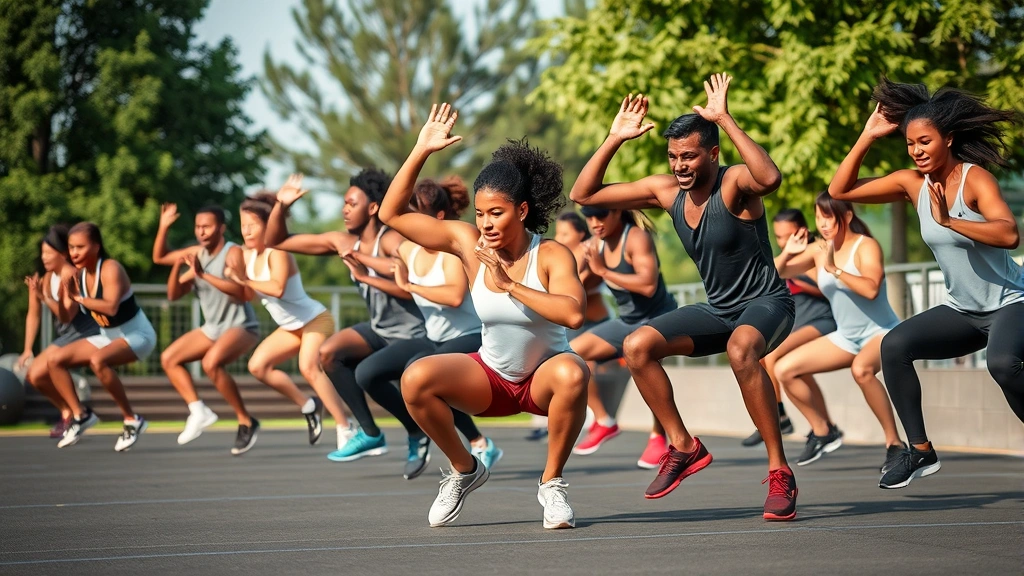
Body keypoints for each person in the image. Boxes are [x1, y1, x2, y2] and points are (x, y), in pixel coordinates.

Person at [569, 75, 798, 521]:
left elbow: (770, 177)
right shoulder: (665, 191)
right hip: (719, 309)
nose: (680, 165)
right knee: (637, 345)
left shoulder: (733, 183)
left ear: (712, 153)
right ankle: (682, 445)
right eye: (673, 156)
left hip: (768, 303)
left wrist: (724, 118)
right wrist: (614, 138)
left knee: (740, 349)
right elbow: (584, 194)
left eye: (689, 155)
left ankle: (779, 471)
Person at [380, 103, 589, 529]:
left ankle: (551, 484)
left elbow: (573, 314)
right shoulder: (468, 243)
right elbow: (391, 215)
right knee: (415, 378)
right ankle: (465, 469)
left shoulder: (549, 254)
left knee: (574, 371)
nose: (486, 223)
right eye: (480, 213)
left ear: (523, 211)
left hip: (541, 383)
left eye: (497, 213)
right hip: (490, 379)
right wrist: (420, 150)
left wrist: (510, 285)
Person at [828, 78, 1023, 489]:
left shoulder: (975, 180)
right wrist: (867, 134)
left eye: (925, 142)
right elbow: (839, 189)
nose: (916, 151)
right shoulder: (910, 184)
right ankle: (919, 451)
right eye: (910, 144)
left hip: (1011, 302)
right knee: (894, 346)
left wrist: (951, 221)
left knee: (1003, 364)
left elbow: (1009, 235)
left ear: (948, 138)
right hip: (963, 311)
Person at [263, 171, 429, 465]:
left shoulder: (390, 239)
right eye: (344, 203)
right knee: (328, 354)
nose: (344, 209)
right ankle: (370, 433)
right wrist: (281, 205)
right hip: (380, 330)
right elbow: (276, 240)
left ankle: (437, 436)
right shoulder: (342, 241)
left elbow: (407, 285)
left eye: (352, 203)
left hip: (414, 334)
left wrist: (363, 264)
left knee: (377, 377)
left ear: (373, 208)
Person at [364, 176, 504, 477]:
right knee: (367, 373)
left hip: (470, 336)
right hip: (435, 338)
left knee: (421, 371)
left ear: (439, 218)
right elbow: (389, 264)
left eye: (417, 215)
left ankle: (478, 443)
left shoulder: (452, 250)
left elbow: (454, 296)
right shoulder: (408, 249)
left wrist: (410, 284)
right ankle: (416, 432)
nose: (411, 223)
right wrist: (354, 258)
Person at [773, 193, 905, 468]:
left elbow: (870, 289)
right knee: (784, 369)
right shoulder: (819, 249)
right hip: (847, 337)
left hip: (880, 332)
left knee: (862, 370)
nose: (822, 224)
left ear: (846, 216)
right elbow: (775, 273)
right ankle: (823, 431)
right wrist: (788, 252)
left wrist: (834, 269)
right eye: (818, 217)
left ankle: (895, 444)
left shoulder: (865, 246)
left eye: (828, 216)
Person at [224, 193, 354, 448]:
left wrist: (243, 279)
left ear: (268, 225)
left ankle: (346, 426)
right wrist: (230, 278)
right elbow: (248, 296)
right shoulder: (245, 255)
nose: (247, 231)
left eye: (253, 225)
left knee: (308, 367)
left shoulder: (278, 251)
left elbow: (278, 288)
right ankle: (309, 405)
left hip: (315, 320)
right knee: (257, 366)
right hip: (290, 327)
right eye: (243, 225)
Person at [570, 207, 677, 469]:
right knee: (569, 354)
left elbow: (648, 284)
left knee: (646, 365)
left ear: (617, 212)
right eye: (590, 218)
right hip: (627, 321)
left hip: (658, 318)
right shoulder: (595, 243)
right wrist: (581, 271)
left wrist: (603, 270)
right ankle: (604, 420)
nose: (595, 223)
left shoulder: (636, 237)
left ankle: (658, 436)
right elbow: (576, 280)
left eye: (601, 216)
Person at [152, 204, 262, 455]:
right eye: (198, 226)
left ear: (221, 228)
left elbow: (244, 294)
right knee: (169, 358)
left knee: (211, 364)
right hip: (213, 328)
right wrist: (164, 228)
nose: (201, 231)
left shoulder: (232, 252)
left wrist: (202, 275)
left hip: (241, 325)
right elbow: (162, 263)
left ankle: (246, 421)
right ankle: (198, 410)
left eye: (207, 226)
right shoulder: (194, 253)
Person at [48, 222, 158, 451]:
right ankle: (81, 415)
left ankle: (132, 420)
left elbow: (110, 308)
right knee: (54, 361)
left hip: (138, 335)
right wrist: (60, 297)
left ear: (96, 246)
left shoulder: (110, 268)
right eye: (71, 247)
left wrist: (78, 298)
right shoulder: (77, 276)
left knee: (97, 360)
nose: (74, 253)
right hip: (108, 336)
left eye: (80, 247)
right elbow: (66, 317)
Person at [740, 209, 834, 447]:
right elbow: (769, 275)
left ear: (803, 230)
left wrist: (800, 277)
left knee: (771, 356)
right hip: (800, 324)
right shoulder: (789, 256)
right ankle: (826, 426)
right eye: (779, 237)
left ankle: (779, 415)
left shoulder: (817, 251)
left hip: (823, 320)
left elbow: (828, 287)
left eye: (789, 235)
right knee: (792, 370)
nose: (784, 242)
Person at [524, 212, 613, 442]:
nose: (559, 237)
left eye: (565, 233)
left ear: (581, 234)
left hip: (594, 322)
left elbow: (573, 289)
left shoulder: (587, 252)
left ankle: (600, 419)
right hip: (575, 325)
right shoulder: (562, 257)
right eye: (558, 233)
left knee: (578, 364)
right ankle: (572, 420)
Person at [17, 225, 101, 439]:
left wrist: (44, 297)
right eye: (42, 253)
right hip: (67, 335)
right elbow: (33, 314)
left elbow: (67, 316)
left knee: (46, 368)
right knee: (34, 375)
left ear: (63, 253)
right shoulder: (44, 279)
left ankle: (79, 413)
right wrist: (27, 349)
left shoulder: (70, 274)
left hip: (85, 331)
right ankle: (69, 412)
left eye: (48, 252)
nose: (43, 257)